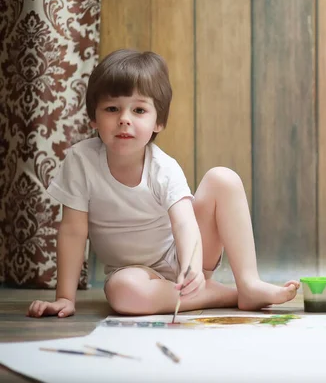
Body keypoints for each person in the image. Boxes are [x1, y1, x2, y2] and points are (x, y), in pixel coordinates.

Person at [27, 49, 299, 318]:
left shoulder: (163, 167)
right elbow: (73, 230)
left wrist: (191, 267)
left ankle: (248, 282)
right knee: (124, 293)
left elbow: (184, 222)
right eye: (112, 109)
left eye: (139, 110)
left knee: (223, 179)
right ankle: (229, 295)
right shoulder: (80, 161)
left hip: (183, 258)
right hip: (132, 273)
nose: (124, 118)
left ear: (159, 121)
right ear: (94, 117)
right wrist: (64, 297)